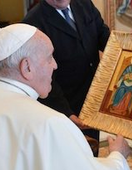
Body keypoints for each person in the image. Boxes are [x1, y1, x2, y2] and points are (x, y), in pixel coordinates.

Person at [0, 23, 131, 170]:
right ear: (27, 67)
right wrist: (118, 157)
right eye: (49, 58)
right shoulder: (50, 123)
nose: (55, 65)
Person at [22, 0, 110, 156]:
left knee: (91, 151)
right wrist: (66, 112)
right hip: (64, 103)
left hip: (93, 98)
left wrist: (126, 48)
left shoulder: (84, 4)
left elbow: (104, 36)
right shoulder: (32, 22)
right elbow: (41, 76)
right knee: (69, 157)